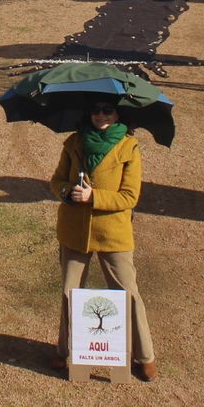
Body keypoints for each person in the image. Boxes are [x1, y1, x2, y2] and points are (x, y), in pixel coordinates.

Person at [48, 100, 158, 382]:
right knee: (69, 292)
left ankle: (144, 356)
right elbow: (57, 179)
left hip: (113, 232)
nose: (100, 115)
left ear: (118, 114)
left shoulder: (128, 146)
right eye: (95, 110)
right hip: (74, 229)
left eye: (107, 110)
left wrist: (93, 197)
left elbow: (129, 197)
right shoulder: (74, 142)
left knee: (128, 293)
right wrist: (67, 192)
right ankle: (65, 350)